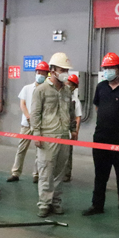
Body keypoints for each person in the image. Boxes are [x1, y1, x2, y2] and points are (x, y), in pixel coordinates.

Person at [83, 53, 119, 220]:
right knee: (100, 174)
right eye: (105, 68)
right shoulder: (100, 87)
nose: (107, 71)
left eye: (111, 68)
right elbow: (97, 107)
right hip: (100, 138)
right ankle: (97, 205)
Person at [31, 52, 76, 218]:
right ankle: (44, 204)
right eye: (62, 70)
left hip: (63, 135)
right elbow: (35, 113)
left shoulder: (67, 91)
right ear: (53, 70)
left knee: (59, 172)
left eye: (66, 70)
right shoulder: (41, 90)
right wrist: (36, 133)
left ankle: (56, 202)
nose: (65, 73)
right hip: (47, 136)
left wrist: (72, 129)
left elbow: (70, 111)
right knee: (45, 172)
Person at [7, 61, 50, 183]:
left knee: (39, 151)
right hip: (26, 124)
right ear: (35, 73)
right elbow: (23, 104)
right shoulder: (27, 88)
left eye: (43, 73)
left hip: (41, 126)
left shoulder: (47, 90)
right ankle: (15, 172)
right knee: (21, 149)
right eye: (39, 72)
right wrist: (28, 117)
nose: (40, 75)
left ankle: (37, 174)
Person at [63, 73, 83, 182]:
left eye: (71, 84)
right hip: (58, 129)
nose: (68, 85)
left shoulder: (75, 100)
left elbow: (77, 117)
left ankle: (66, 174)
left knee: (67, 153)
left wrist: (76, 131)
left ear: (75, 87)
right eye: (68, 82)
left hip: (68, 131)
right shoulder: (59, 96)